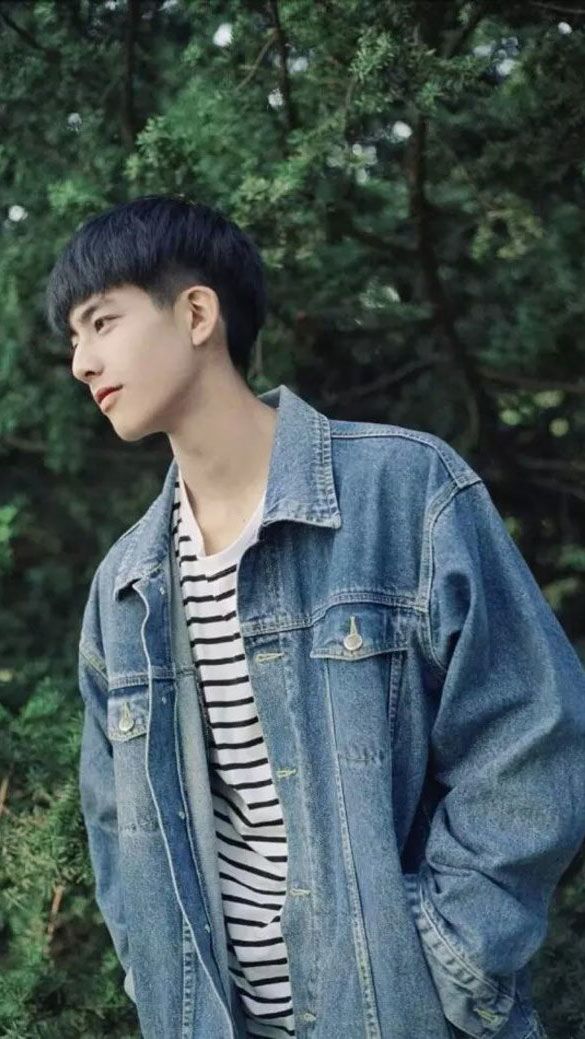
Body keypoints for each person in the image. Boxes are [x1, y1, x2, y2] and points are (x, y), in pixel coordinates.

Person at [45, 194, 585, 1039]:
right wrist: (155, 977)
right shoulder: (126, 587)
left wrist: (443, 955)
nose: (82, 362)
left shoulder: (404, 491)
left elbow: (532, 738)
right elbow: (117, 825)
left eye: (101, 322)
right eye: (73, 339)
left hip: (398, 1016)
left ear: (196, 314)